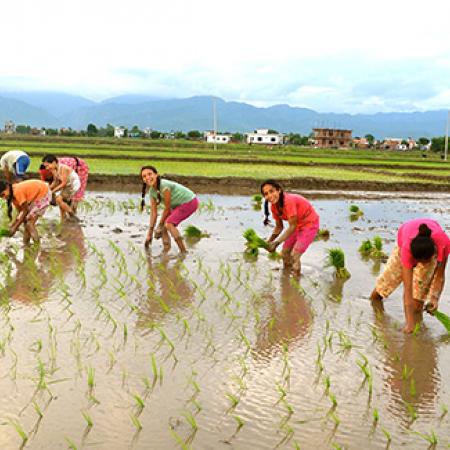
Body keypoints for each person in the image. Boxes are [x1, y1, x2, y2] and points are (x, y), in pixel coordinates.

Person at [370, 219, 450, 333]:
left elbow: (440, 275)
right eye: (417, 263)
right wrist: (409, 324)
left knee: (418, 303)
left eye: (424, 263)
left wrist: (434, 298)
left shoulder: (443, 244)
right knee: (383, 287)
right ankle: (374, 303)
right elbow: (408, 289)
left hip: (429, 248)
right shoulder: (407, 250)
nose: (419, 266)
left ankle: (417, 323)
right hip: (406, 242)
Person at [261, 180, 319, 276]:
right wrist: (269, 242)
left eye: (272, 191)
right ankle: (286, 279)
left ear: (278, 190)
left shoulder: (288, 201)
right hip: (297, 225)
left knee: (294, 255)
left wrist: (276, 243)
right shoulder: (274, 207)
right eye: (266, 194)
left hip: (309, 224)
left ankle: (296, 281)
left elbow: (292, 226)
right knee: (284, 253)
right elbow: (279, 227)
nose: (270, 195)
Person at [140, 166, 199, 253]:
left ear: (156, 175)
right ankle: (166, 249)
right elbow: (153, 213)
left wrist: (159, 226)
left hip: (189, 202)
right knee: (164, 226)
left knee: (169, 224)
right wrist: (150, 234)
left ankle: (183, 251)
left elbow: (167, 209)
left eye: (150, 174)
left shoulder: (164, 186)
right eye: (144, 176)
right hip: (177, 205)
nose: (147, 178)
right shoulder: (152, 192)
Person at [0, 179, 52, 244]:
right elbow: (21, 212)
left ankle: (37, 246)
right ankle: (26, 245)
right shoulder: (12, 196)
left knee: (29, 224)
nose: (4, 197)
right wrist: (14, 225)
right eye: (1, 197)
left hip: (43, 193)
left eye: (3, 194)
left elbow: (25, 210)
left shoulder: (17, 192)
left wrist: (15, 227)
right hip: (35, 197)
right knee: (26, 225)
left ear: (7, 187)